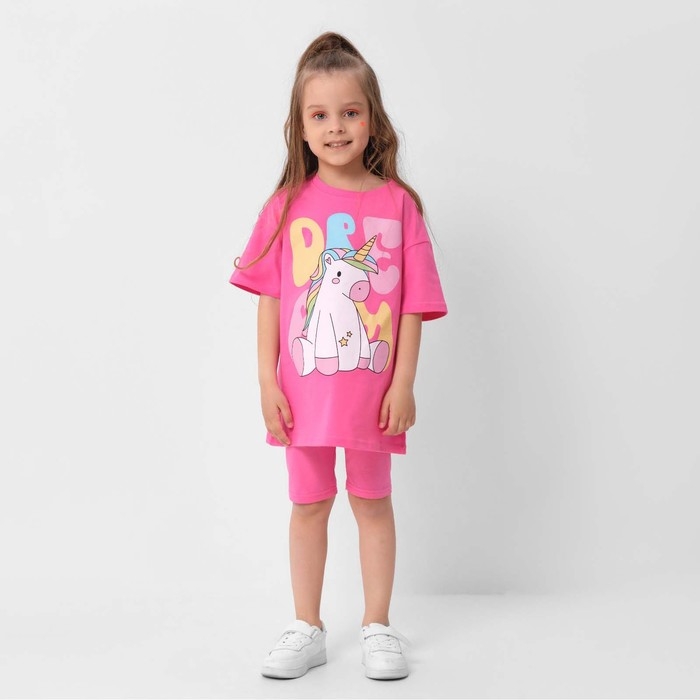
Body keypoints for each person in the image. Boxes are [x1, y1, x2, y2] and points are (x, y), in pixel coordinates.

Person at [230, 31, 447, 681]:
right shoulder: (283, 207)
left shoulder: (399, 206)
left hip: (373, 398)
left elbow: (412, 306)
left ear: (372, 119)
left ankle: (378, 624)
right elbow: (271, 301)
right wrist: (267, 381)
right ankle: (307, 626)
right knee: (309, 505)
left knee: (373, 502)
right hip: (302, 396)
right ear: (299, 128)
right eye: (319, 115)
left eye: (350, 112)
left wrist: (403, 383)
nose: (335, 127)